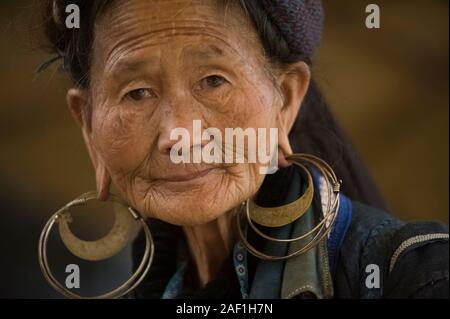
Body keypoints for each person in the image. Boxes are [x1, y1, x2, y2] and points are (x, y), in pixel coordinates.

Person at [39, 0, 449, 298]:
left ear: (286, 101)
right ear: (88, 126)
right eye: (137, 93)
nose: (179, 136)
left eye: (214, 80)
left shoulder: (418, 278)